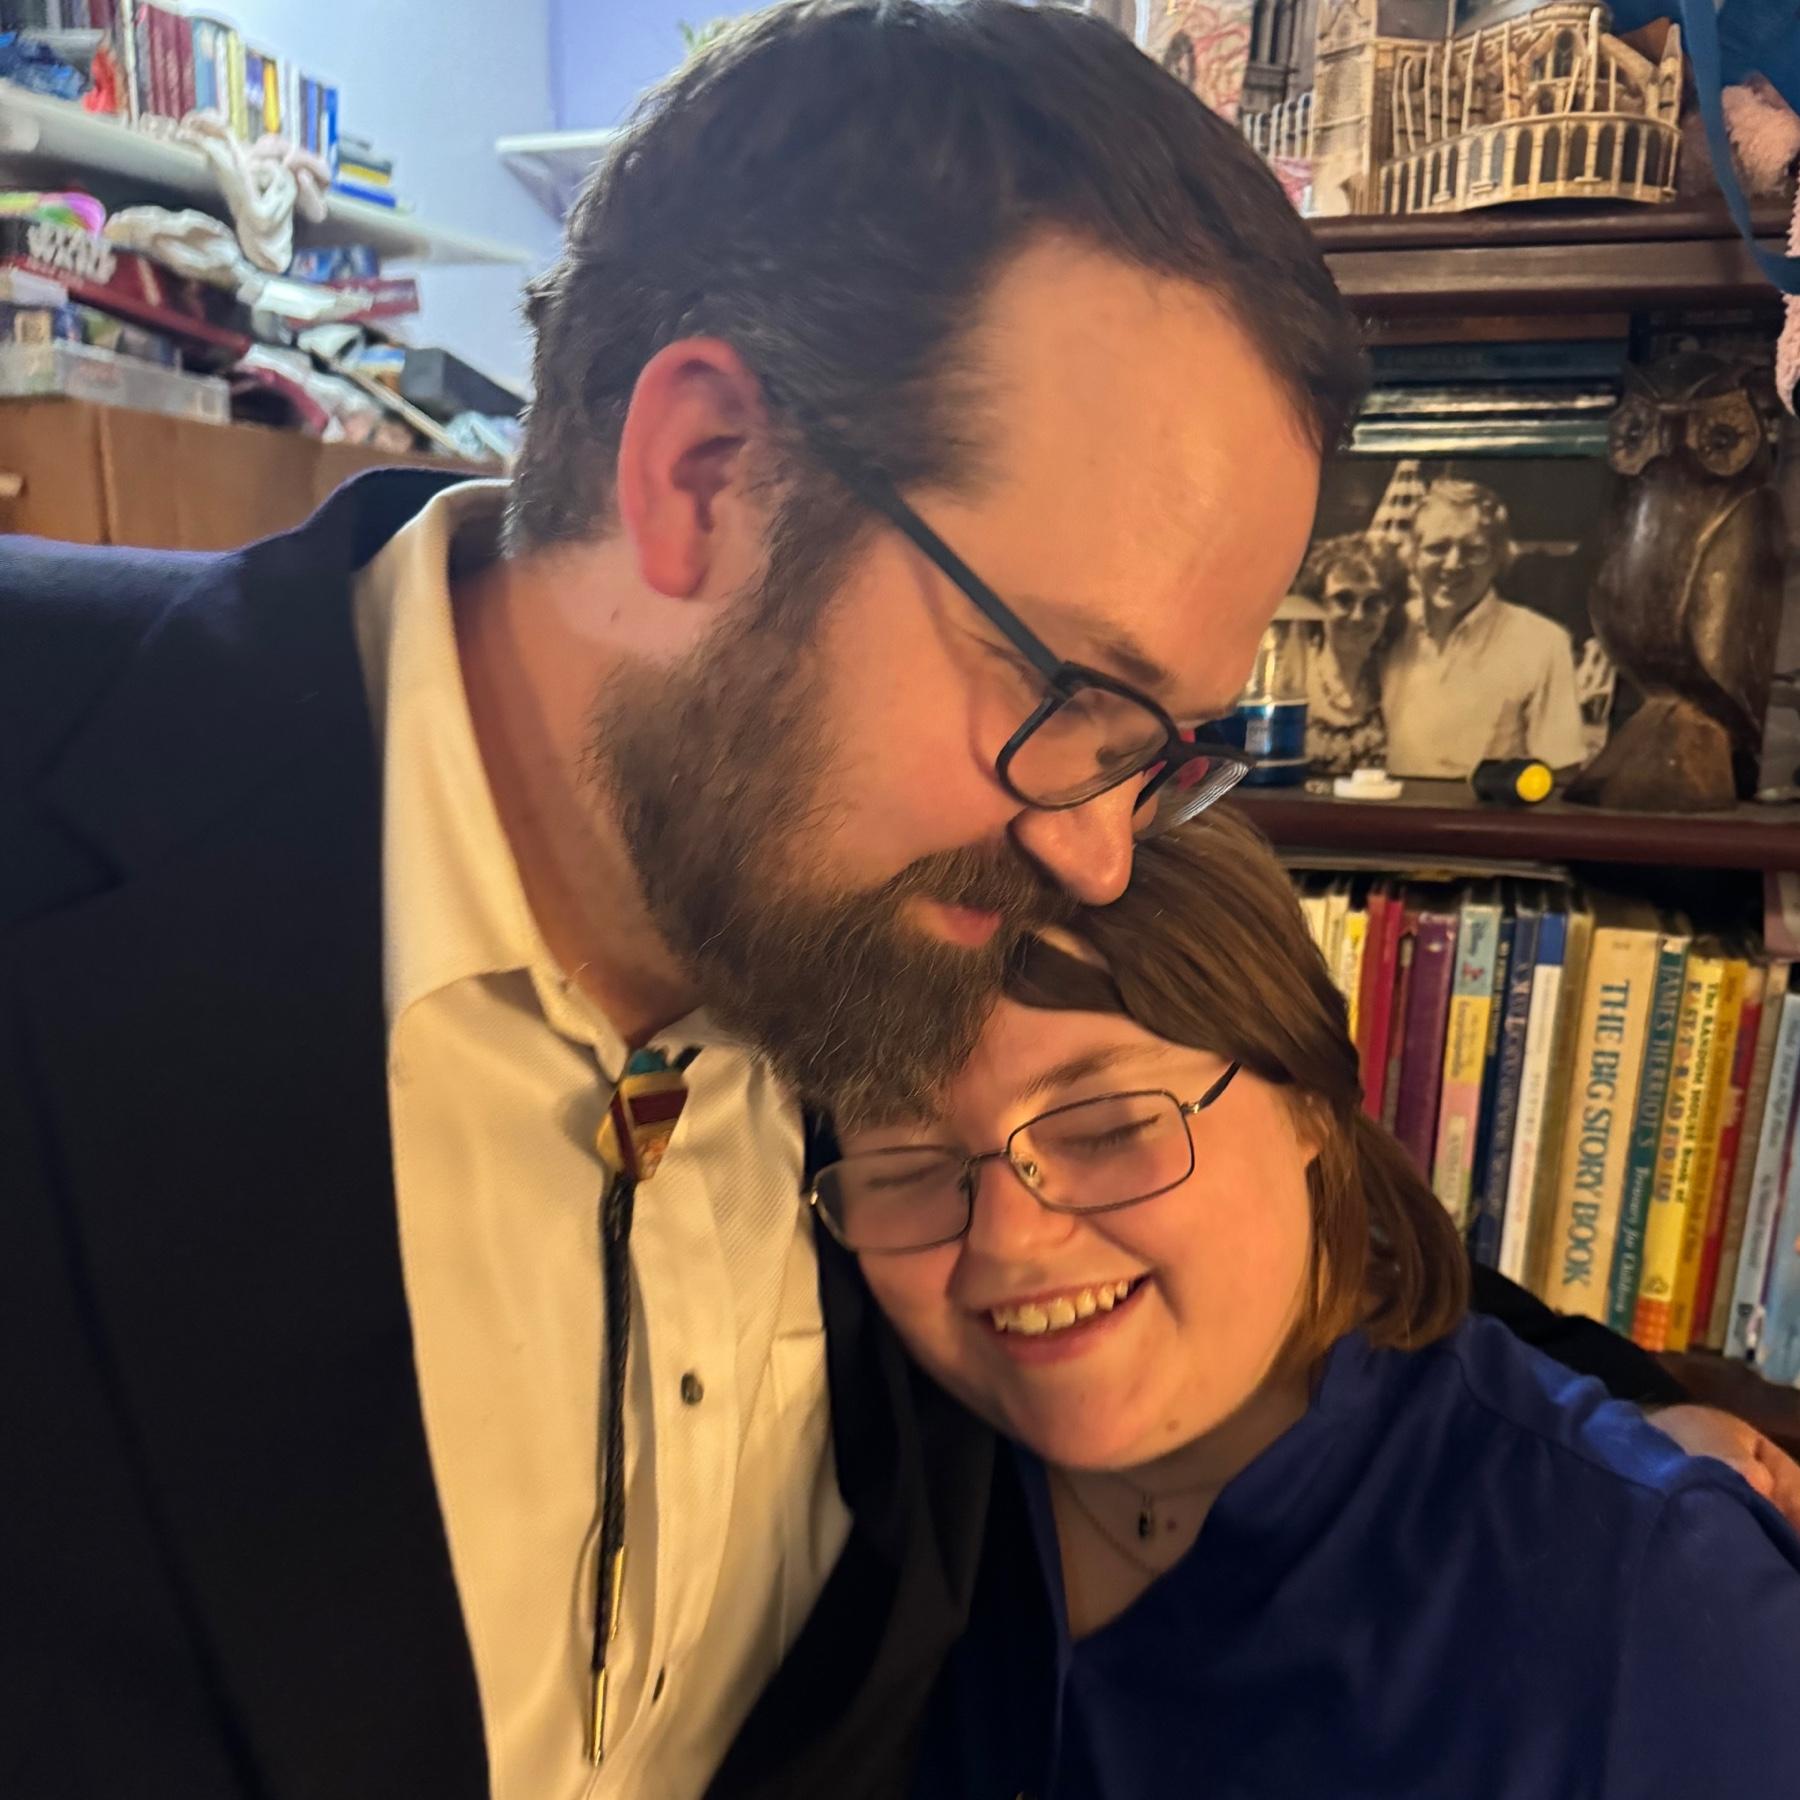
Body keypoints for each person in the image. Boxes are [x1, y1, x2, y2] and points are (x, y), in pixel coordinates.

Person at [0, 7, 1785, 1799]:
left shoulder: (865, 945)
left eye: (1156, 747)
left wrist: (1640, 1454)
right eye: (1067, 692)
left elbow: (1227, 1166)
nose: (1099, 857)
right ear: (706, 474)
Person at [821, 810, 1800, 1799]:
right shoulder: (872, 1441)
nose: (1006, 1241)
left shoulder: (1663, 1612)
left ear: (1311, 1101)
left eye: (1109, 1128)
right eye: (908, 1168)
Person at [1382, 476, 1590, 778]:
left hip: (1485, 808)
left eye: (1473, 550)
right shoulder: (1388, 627)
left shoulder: (1542, 642)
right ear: (1413, 556)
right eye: (1437, 548)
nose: (1453, 564)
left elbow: (1562, 771)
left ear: (1499, 559)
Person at [1294, 531, 1409, 776]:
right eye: (1343, 599)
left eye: (1374, 602)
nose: (1358, 616)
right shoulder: (1292, 672)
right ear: (1318, 603)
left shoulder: (1392, 676)